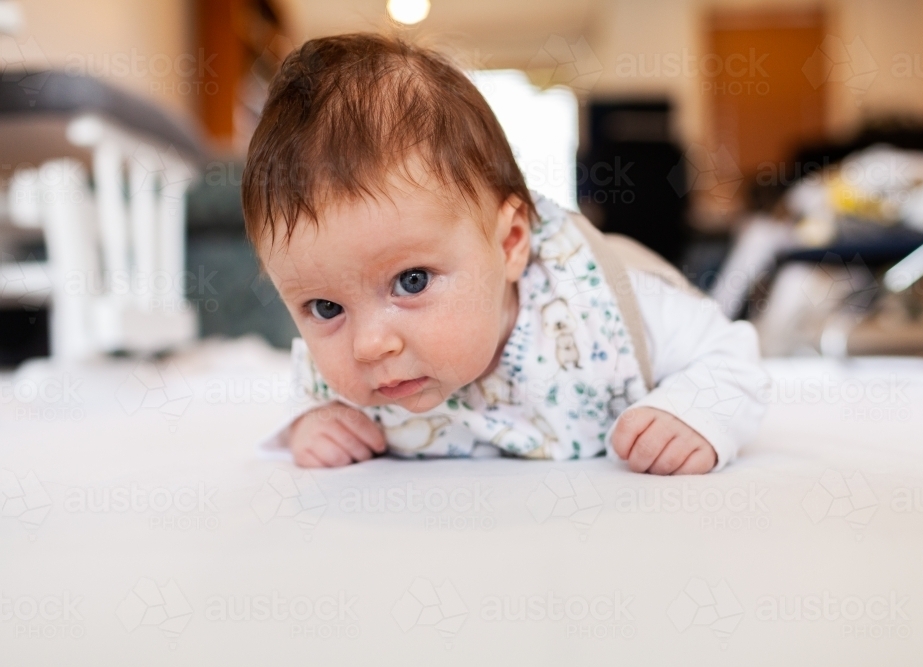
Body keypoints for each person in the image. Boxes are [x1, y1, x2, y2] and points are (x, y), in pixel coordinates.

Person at [242, 33, 768, 475]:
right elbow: (308, 391)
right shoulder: (344, 346)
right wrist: (311, 422)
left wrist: (693, 411)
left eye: (413, 281)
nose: (369, 345)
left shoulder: (606, 306)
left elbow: (731, 355)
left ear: (510, 243)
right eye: (325, 309)